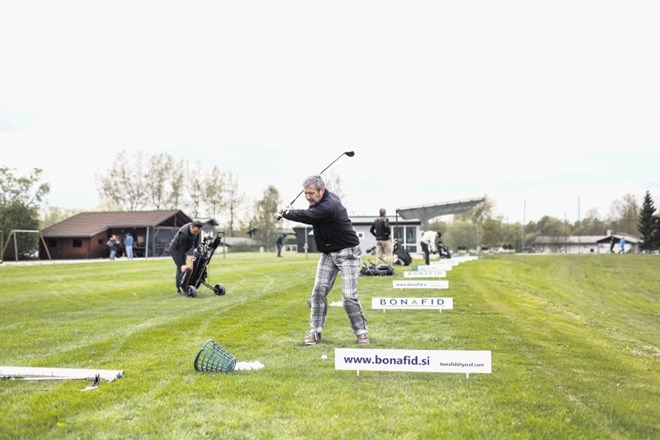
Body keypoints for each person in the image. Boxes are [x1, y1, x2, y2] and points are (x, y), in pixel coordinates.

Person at [279, 175, 369, 346]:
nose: (307, 197)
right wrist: (292, 210)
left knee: (349, 296)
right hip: (328, 253)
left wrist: (287, 213)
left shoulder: (329, 206)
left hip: (348, 252)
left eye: (311, 193)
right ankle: (315, 332)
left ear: (322, 190)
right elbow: (310, 212)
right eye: (305, 193)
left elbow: (309, 216)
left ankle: (361, 332)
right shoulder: (320, 201)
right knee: (318, 291)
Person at [168, 220, 204, 294]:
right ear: (191, 227)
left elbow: (196, 239)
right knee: (181, 267)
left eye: (197, 232)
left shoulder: (197, 230)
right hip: (176, 250)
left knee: (185, 268)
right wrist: (182, 264)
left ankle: (186, 284)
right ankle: (180, 288)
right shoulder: (183, 234)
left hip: (183, 250)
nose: (195, 234)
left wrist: (196, 248)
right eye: (194, 232)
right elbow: (181, 251)